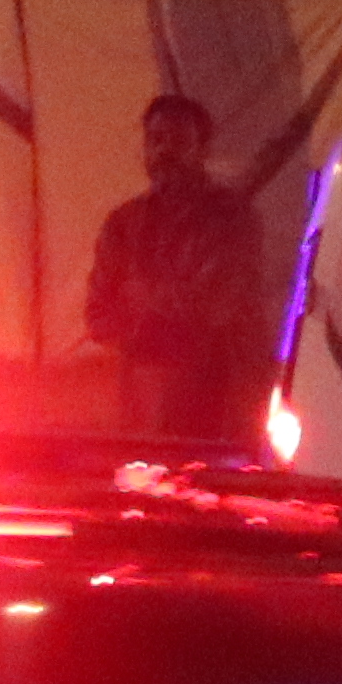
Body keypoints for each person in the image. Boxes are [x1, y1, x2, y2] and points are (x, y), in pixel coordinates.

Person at [81, 91, 269, 445]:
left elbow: (216, 306)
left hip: (216, 403)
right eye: (156, 140)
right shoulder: (123, 224)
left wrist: (141, 299)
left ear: (202, 149)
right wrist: (159, 311)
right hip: (140, 407)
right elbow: (98, 317)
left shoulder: (231, 218)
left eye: (179, 140)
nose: (165, 150)